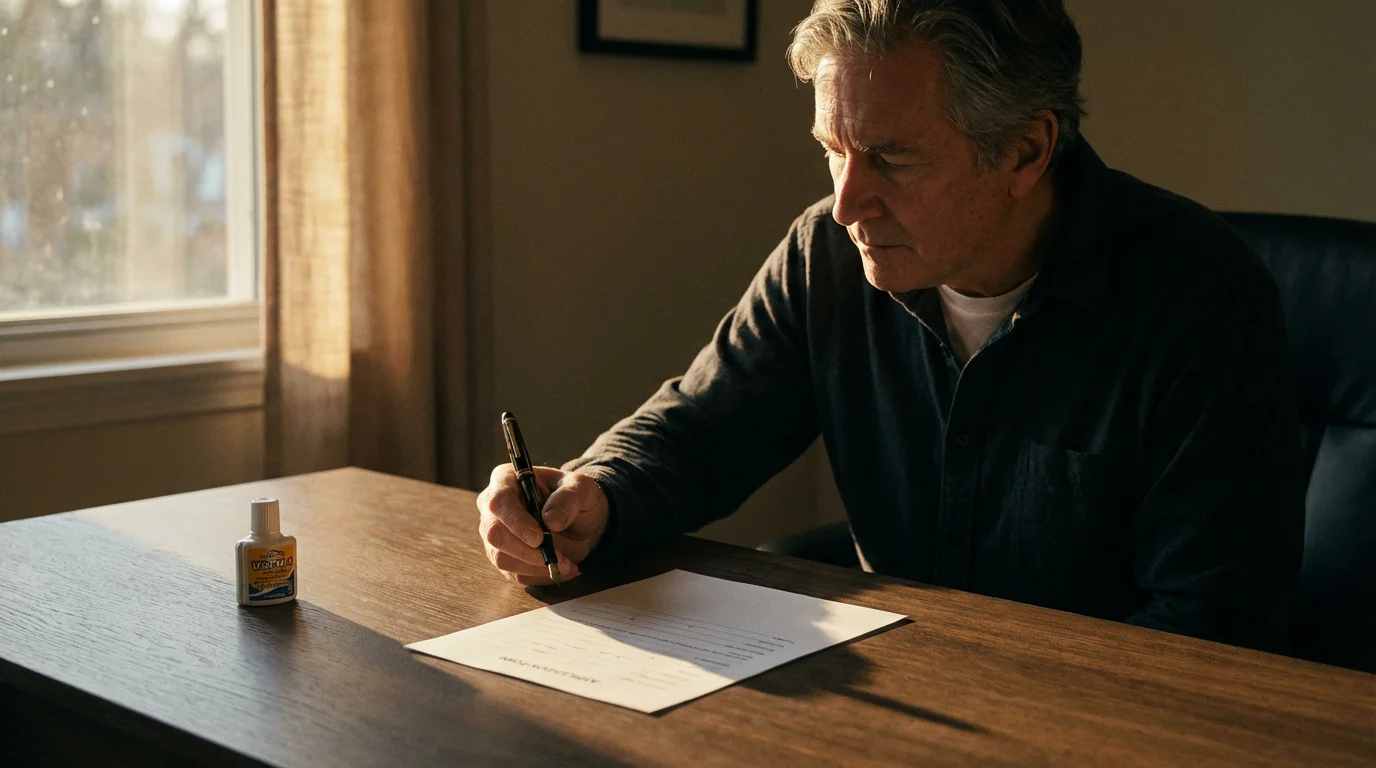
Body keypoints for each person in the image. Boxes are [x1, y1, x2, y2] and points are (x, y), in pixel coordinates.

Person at [475, 0, 1305, 653]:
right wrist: (594, 494)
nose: (845, 202)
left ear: (1025, 151)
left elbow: (1208, 632)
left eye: (893, 159)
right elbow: (702, 429)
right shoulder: (825, 255)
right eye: (833, 149)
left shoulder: (1202, 295)